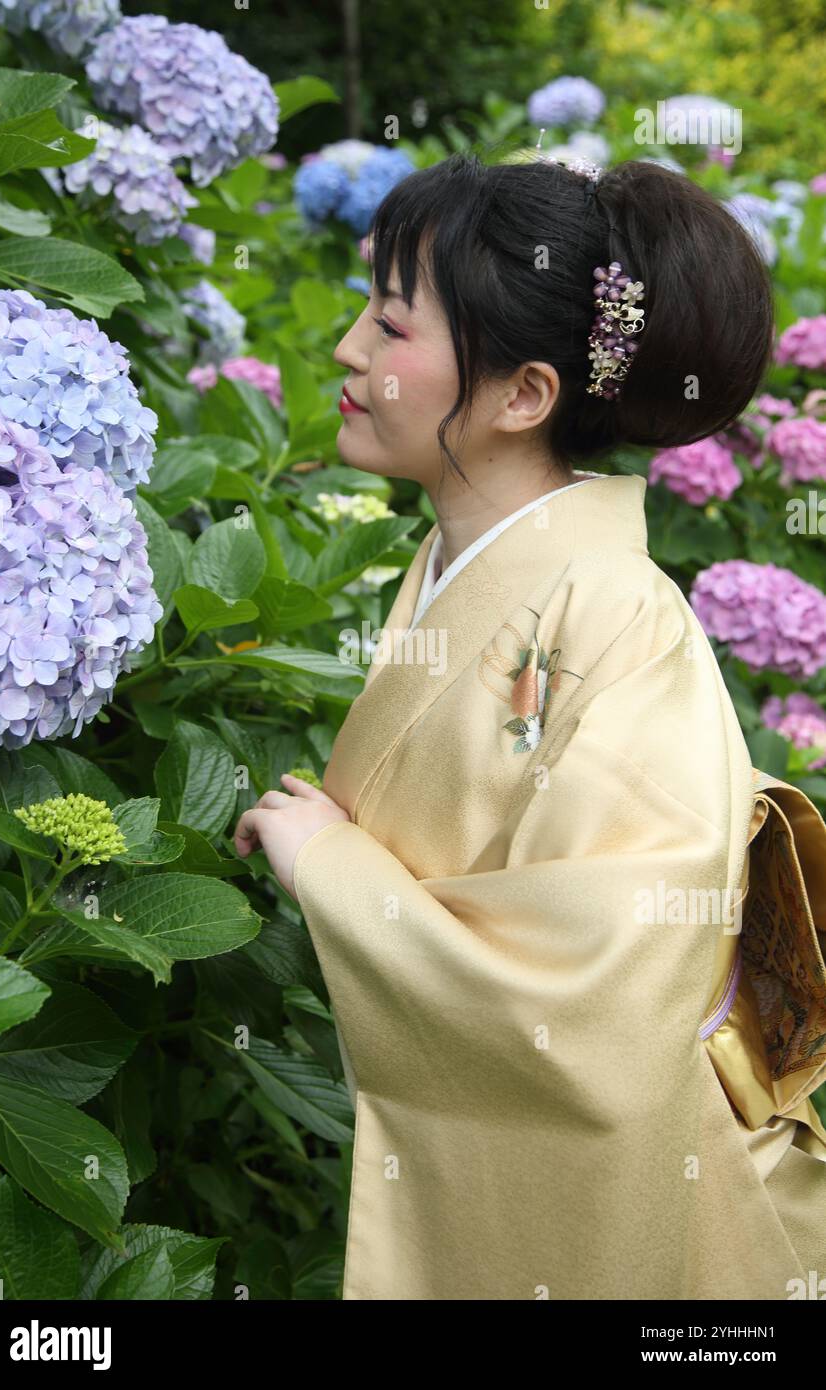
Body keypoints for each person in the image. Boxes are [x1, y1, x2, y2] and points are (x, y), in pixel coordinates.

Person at [234, 152, 826, 1300]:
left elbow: (603, 985)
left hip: (669, 1203)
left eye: (392, 325)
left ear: (522, 396)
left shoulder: (617, 617)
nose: (351, 349)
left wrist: (338, 873)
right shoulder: (474, 563)